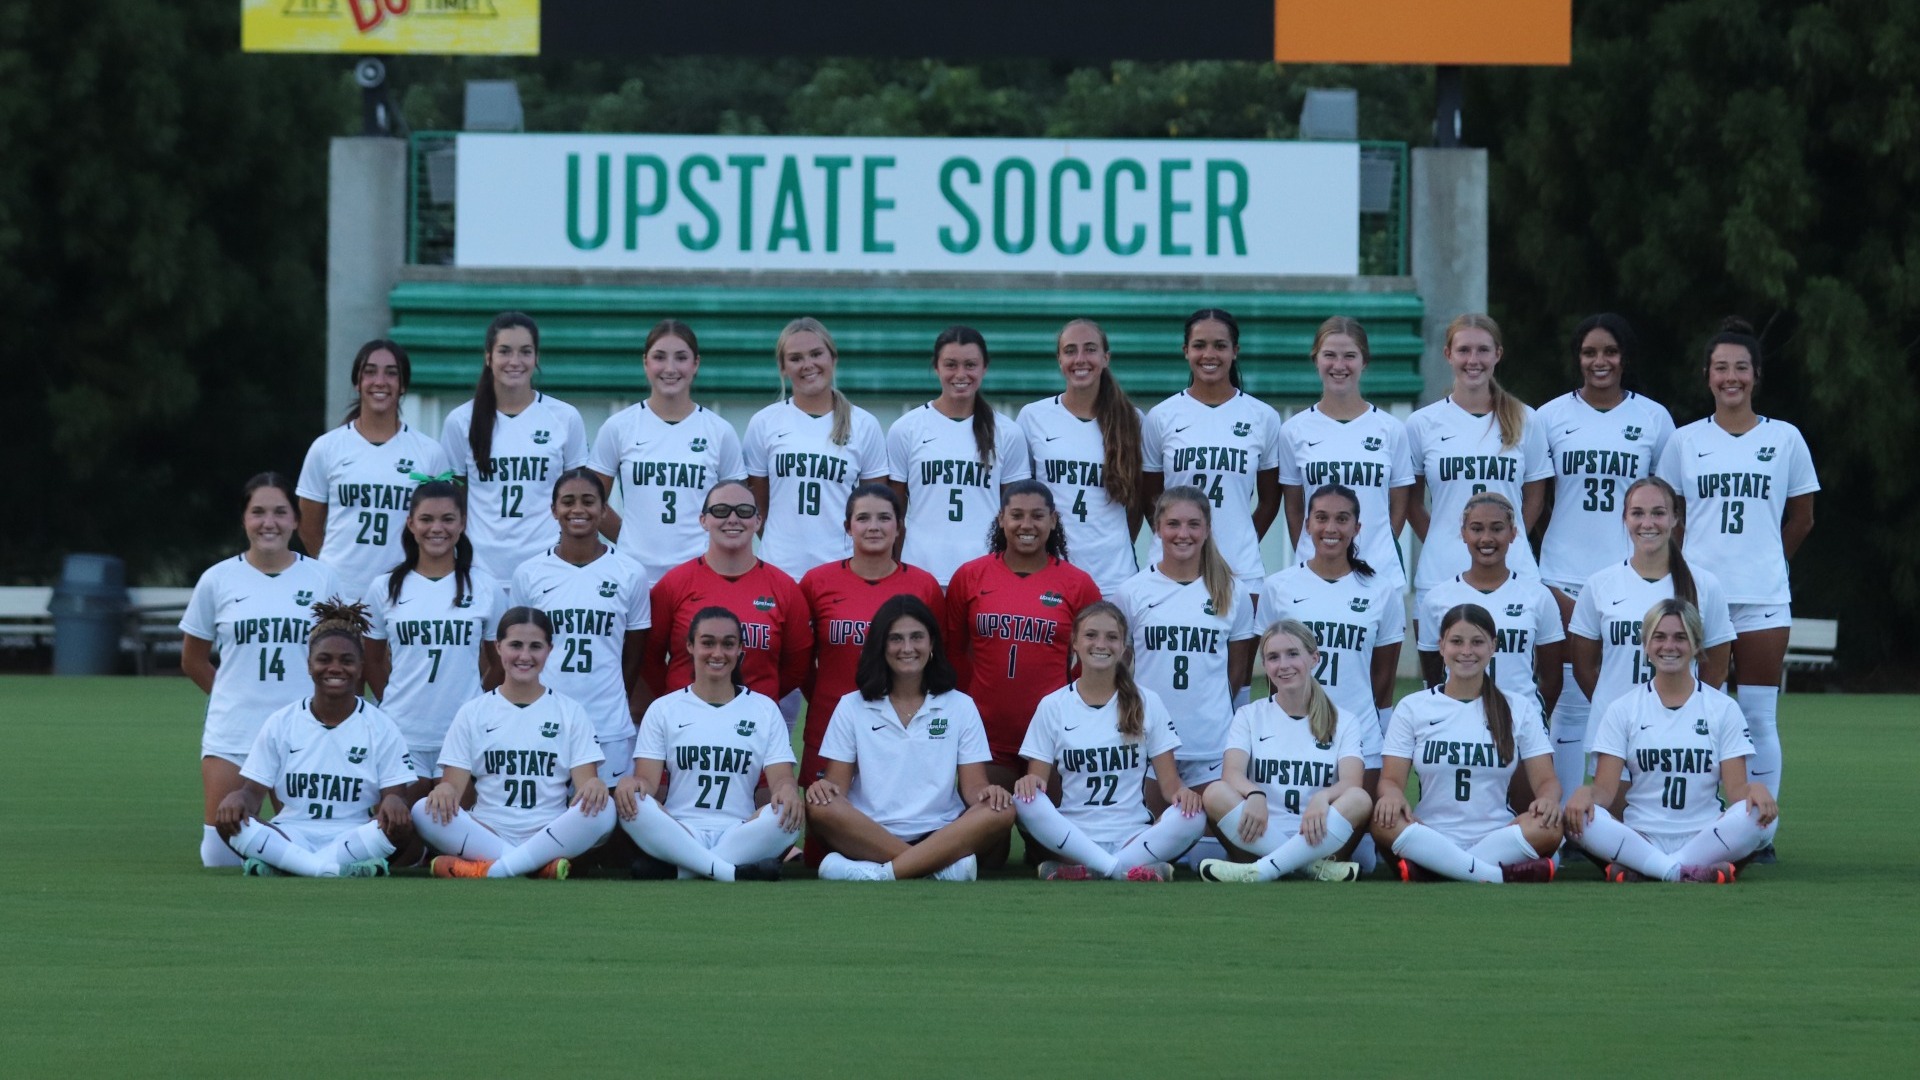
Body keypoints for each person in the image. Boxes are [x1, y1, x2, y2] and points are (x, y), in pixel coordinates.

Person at [1656, 317, 1817, 817]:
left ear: (1756, 375)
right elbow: (1668, 517)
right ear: (1707, 375)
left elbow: (1803, 518)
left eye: (1741, 368)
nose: (1731, 377)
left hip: (1764, 595)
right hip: (1701, 599)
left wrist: (1769, 559)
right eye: (1721, 367)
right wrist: (1692, 570)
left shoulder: (1786, 438)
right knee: (1704, 712)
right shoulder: (1684, 441)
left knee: (1757, 715)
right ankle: (1705, 818)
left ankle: (1760, 826)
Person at [1533, 314, 1675, 786]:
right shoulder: (1550, 416)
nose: (1600, 361)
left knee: (1640, 692)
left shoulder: (1653, 418)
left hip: (1630, 574)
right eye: (1590, 352)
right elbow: (1537, 492)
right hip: (1563, 572)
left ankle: (1639, 804)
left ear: (1624, 357)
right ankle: (1573, 820)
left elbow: (1668, 502)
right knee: (1573, 702)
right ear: (1578, 358)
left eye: (1609, 352)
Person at [182, 473, 345, 867]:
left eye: (279, 512)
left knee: (311, 834)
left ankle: (288, 857)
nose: (268, 522)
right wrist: (230, 696)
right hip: (234, 729)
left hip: (301, 730)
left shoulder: (322, 577)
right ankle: (283, 857)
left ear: (295, 521)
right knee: (222, 856)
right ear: (244, 520)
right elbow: (193, 658)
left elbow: (341, 657)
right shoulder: (217, 579)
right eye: (257, 512)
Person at [1564, 599, 1781, 882]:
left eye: (1681, 637)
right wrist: (1585, 794)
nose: (1670, 646)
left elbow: (1737, 790)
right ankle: (1687, 872)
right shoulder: (1623, 708)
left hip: (1705, 837)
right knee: (1576, 818)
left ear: (1696, 646)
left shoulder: (1722, 708)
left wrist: (1758, 790)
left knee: (1763, 819)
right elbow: (1604, 792)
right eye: (1660, 637)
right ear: (1646, 644)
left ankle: (1653, 868)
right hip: (1641, 835)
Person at [805, 596, 1016, 880]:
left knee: (1001, 810)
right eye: (896, 639)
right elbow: (837, 787)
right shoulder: (851, 705)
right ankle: (934, 868)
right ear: (881, 646)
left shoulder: (960, 705)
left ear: (931, 644)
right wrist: (823, 789)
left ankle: (882, 873)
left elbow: (974, 786)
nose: (907, 648)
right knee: (819, 805)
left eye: (917, 637)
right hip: (869, 832)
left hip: (942, 831)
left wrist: (989, 794)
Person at [214, 600, 415, 877]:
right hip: (291, 834)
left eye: (346, 661)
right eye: (324, 659)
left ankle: (291, 866)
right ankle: (332, 869)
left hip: (352, 836)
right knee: (229, 824)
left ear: (360, 667)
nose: (335, 668)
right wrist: (237, 798)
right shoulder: (281, 723)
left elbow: (396, 797)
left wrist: (395, 802)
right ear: (309, 664)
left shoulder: (381, 726)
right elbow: (252, 793)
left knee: (403, 827)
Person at [1565, 477, 1734, 800]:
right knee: (1609, 832)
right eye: (1637, 513)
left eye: (1658, 513)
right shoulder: (1600, 584)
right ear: (1625, 518)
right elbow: (1584, 667)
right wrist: (1616, 708)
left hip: (1680, 731)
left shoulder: (1705, 585)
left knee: (1670, 823)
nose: (1647, 523)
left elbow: (1717, 668)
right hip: (1616, 733)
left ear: (1675, 518)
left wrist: (1688, 711)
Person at [414, 607, 614, 879]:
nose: (525, 656)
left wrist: (593, 785)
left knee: (604, 810)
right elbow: (452, 786)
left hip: (550, 831)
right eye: (515, 645)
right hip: (487, 830)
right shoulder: (474, 712)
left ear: (549, 650)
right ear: (498, 647)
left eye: (536, 646)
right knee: (422, 811)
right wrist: (444, 791)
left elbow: (585, 786)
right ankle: (535, 866)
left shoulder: (570, 711)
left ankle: (491, 870)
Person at [1011, 602, 1206, 882]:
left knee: (1195, 815)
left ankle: (1095, 870)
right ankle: (1122, 871)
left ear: (1124, 648)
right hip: (1073, 838)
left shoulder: (1147, 701)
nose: (1101, 644)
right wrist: (1028, 783)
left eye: (1112, 637)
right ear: (1075, 643)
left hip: (1133, 836)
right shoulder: (1053, 705)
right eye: (1091, 635)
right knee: (1023, 799)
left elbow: (1170, 786)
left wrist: (1184, 795)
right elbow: (1036, 781)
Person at [1372, 603, 1562, 883]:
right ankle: (1494, 875)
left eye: (1477, 642)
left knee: (1551, 827)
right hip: (1431, 833)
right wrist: (1392, 796)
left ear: (1493, 646)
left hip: (1497, 834)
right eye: (1456, 641)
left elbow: (1547, 780)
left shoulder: (1518, 707)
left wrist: (1547, 800)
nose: (1466, 651)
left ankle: (1437, 869)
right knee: (1380, 820)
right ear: (1441, 646)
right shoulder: (1414, 707)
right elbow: (1390, 780)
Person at [614, 608, 802, 881]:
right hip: (680, 828)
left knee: (789, 813)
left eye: (728, 644)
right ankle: (730, 871)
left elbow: (782, 778)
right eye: (707, 642)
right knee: (631, 803)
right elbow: (647, 781)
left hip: (739, 831)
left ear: (740, 650)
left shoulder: (763, 709)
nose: (717, 653)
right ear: (690, 646)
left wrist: (787, 791)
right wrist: (632, 784)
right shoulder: (664, 709)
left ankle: (684, 868)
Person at [943, 480, 1102, 788]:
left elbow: (1094, 658)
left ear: (1053, 520)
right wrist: (968, 707)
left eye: (1037, 516)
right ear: (1001, 519)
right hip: (986, 734)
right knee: (988, 828)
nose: (1026, 525)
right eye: (1016, 515)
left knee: (1049, 834)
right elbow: (954, 651)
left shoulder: (1078, 584)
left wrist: (1071, 705)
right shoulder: (969, 576)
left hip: (1054, 737)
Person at [1196, 619, 1374, 883]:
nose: (1283, 665)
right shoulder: (1249, 715)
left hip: (1319, 834)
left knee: (1360, 798)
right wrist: (1254, 793)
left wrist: (1322, 797)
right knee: (1214, 793)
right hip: (1260, 832)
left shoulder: (1344, 720)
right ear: (1265, 666)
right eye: (1273, 657)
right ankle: (1310, 868)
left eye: (1293, 654)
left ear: (1314, 658)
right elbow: (1231, 773)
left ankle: (1262, 870)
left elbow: (1351, 782)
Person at [1405, 314, 1552, 633]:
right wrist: (1444, 538)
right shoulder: (1422, 423)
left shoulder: (1526, 419)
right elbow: (1411, 503)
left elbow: (1535, 497)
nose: (1474, 360)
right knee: (1440, 679)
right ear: (1448, 355)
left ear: (1498, 354)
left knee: (1514, 674)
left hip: (1512, 569)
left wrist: (1506, 540)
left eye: (1483, 350)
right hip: (1441, 569)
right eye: (1464, 350)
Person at [1110, 486, 1256, 800]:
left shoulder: (1234, 592)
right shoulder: (1132, 592)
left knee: (1218, 840)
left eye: (1193, 524)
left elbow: (1237, 673)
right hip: (1148, 741)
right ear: (1158, 527)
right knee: (1156, 841)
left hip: (1211, 744)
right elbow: (1117, 669)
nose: (1183, 533)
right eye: (1173, 524)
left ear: (1207, 530)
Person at [509, 468, 651, 783]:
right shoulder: (529, 573)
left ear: (603, 511)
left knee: (613, 818)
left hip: (608, 719)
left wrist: (616, 695)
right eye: (568, 501)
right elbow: (518, 651)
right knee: (546, 810)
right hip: (544, 715)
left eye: (588, 501)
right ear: (553, 510)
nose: (578, 510)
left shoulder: (629, 573)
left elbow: (635, 650)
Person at [797, 484, 944, 789]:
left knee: (898, 824)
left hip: (899, 725)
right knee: (825, 821)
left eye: (884, 518)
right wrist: (829, 696)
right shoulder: (816, 582)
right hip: (829, 721)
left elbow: (937, 659)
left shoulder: (923, 585)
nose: (874, 527)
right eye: (863, 518)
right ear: (847, 527)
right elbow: (800, 662)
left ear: (899, 527)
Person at [362, 479, 501, 801]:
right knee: (399, 829)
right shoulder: (384, 588)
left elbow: (499, 662)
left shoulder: (485, 587)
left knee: (454, 828)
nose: (436, 528)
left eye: (447, 519)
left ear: (463, 523)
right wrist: (393, 702)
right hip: (402, 731)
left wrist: (476, 701)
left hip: (461, 733)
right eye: (426, 519)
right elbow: (370, 659)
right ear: (411, 523)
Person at [1140, 309, 1284, 598]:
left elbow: (1270, 499)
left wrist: (1242, 539)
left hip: (1239, 569)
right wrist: (1175, 541)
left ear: (1235, 351)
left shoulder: (1262, 416)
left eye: (1220, 346)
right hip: (1173, 567)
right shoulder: (1161, 416)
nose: (1209, 354)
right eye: (1199, 345)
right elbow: (1151, 499)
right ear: (1185, 351)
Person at [589, 319, 746, 585]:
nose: (670, 368)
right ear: (645, 363)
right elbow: (592, 502)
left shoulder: (719, 431)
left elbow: (739, 511)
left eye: (681, 358)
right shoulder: (619, 427)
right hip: (634, 575)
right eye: (660, 357)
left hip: (701, 574)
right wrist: (628, 536)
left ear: (695, 364)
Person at [439, 312, 590, 586]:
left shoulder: (565, 418)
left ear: (537, 358)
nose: (515, 361)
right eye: (505, 351)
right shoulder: (460, 421)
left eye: (525, 352)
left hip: (547, 566)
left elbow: (577, 496)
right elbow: (456, 498)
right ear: (488, 357)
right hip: (481, 569)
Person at [1260, 484, 1405, 769]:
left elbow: (1384, 676)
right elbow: (1270, 669)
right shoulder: (1278, 587)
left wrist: (1385, 735)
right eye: (1322, 518)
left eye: (1342, 519)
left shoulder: (1381, 590)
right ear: (1307, 524)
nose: (1331, 528)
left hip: (1360, 734)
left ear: (1357, 527)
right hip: (1292, 731)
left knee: (1358, 813)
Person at [295, 339, 449, 602]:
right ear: (357, 382)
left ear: (403, 386)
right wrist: (335, 570)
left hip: (404, 593)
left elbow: (443, 523)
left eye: (391, 373)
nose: (380, 381)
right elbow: (308, 525)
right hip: (339, 595)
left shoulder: (429, 453)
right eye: (370, 371)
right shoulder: (327, 448)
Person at [642, 481, 812, 708]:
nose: (733, 519)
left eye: (744, 511)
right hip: (685, 717)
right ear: (703, 520)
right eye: (721, 511)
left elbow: (797, 666)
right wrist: (679, 696)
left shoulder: (784, 588)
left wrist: (758, 698)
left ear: (758, 520)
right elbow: (648, 657)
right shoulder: (674, 584)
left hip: (754, 723)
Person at [743, 317, 889, 581]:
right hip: (778, 568)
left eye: (816, 354)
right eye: (796, 358)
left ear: (833, 358)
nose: (807, 365)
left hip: (841, 569)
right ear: (783, 367)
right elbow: (758, 507)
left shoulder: (865, 424)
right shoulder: (764, 422)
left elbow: (875, 506)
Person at [886, 325, 1032, 586]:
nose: (961, 374)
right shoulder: (905, 429)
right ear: (936, 367)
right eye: (951, 365)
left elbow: (1015, 513)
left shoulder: (1008, 433)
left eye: (970, 365)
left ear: (984, 367)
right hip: (919, 570)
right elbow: (895, 514)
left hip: (985, 573)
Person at [1280, 316, 1415, 594]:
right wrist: (1316, 551)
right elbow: (1294, 508)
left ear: (1364, 361)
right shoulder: (1293, 430)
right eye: (1329, 355)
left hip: (1378, 571)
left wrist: (1375, 546)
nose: (1339, 366)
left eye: (1349, 356)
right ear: (1316, 359)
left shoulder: (1391, 430)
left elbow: (1398, 506)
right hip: (1314, 572)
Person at [1017, 318, 1146, 594]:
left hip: (1115, 576)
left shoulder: (1132, 420)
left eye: (1090, 349)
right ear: (1059, 359)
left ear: (1105, 357)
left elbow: (1136, 504)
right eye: (1070, 350)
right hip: (1052, 571)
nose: (1080, 359)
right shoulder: (1033, 417)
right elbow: (1023, 496)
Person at [1416, 492, 1565, 716]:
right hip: (1457, 725)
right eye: (1476, 529)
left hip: (1520, 726)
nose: (1486, 538)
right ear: (1463, 533)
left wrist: (1530, 719)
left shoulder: (1537, 596)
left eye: (1497, 528)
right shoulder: (1438, 598)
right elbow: (1433, 677)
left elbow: (1552, 680)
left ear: (1514, 533)